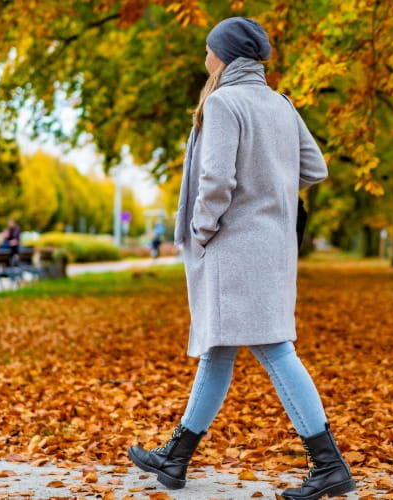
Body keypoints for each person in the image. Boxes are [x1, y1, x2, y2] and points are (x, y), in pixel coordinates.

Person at [127, 17, 350, 500]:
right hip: (272, 247)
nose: (205, 57)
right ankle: (176, 457)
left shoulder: (225, 103)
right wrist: (272, 183)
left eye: (209, 49)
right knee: (219, 349)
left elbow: (216, 183)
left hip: (232, 248)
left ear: (224, 55)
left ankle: (329, 465)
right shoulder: (280, 104)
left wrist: (201, 231)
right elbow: (315, 167)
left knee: (274, 349)